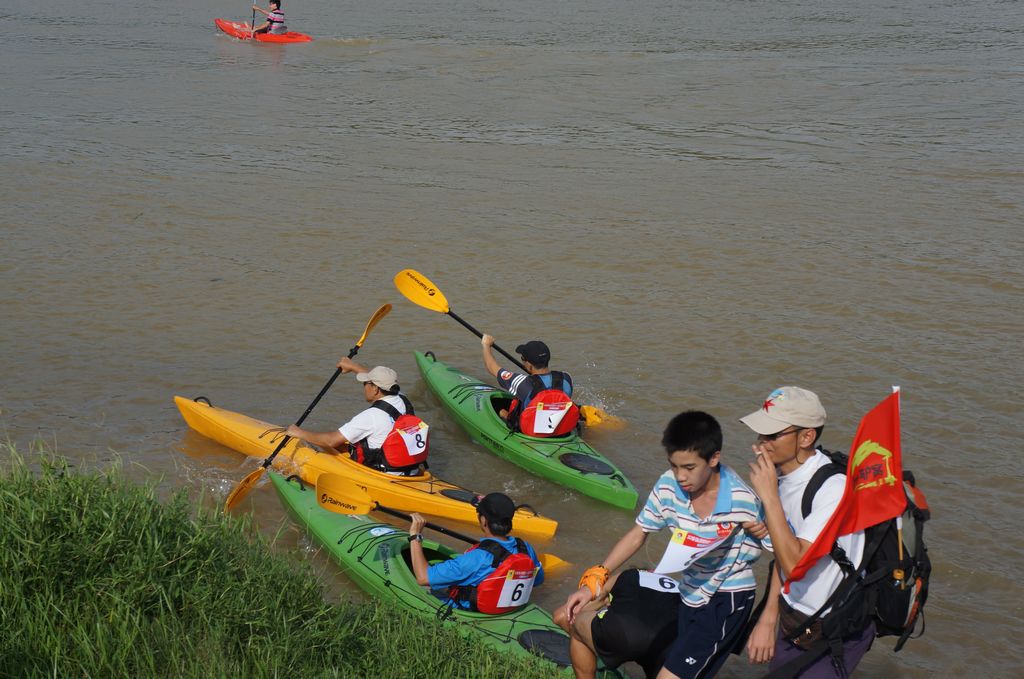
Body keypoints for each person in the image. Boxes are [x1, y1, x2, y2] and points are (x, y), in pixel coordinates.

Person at [559, 411, 764, 679]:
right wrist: (595, 579)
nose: (680, 476)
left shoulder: (742, 500)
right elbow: (638, 533)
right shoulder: (668, 485)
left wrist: (767, 619)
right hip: (689, 594)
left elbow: (781, 559)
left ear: (714, 458)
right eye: (674, 465)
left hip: (726, 599)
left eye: (689, 468)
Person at [741, 386, 872, 677]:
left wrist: (769, 497)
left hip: (834, 628)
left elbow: (795, 563)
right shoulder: (781, 478)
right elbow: (781, 553)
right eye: (760, 434)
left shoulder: (832, 488)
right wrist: (768, 618)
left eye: (772, 435)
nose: (761, 443)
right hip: (794, 620)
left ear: (806, 436)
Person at [285, 358, 428, 476]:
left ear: (375, 389)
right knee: (350, 441)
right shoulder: (402, 398)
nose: (364, 386)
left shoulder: (371, 417)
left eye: (366, 383)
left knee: (333, 442)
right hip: (411, 469)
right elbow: (376, 378)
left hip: (383, 474)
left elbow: (330, 441)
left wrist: (298, 432)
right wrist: (353, 366)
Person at [407, 492, 545, 612]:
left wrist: (415, 535)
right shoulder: (525, 548)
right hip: (508, 610)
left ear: (484, 521)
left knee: (414, 584)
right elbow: (538, 580)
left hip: (470, 611)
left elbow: (423, 578)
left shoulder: (476, 558)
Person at [481, 334, 576, 435]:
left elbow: (491, 367)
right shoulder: (566, 378)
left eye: (523, 359)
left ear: (529, 365)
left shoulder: (522, 382)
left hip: (532, 432)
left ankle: (505, 416)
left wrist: (486, 345)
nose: (522, 361)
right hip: (561, 431)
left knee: (501, 409)